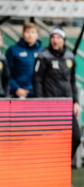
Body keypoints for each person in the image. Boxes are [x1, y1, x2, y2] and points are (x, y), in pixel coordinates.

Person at [33, 27, 81, 158]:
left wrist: (76, 102)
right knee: (50, 138)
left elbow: (72, 81)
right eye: (53, 37)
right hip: (49, 106)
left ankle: (63, 161)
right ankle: (52, 164)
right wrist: (39, 103)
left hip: (66, 105)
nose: (55, 40)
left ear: (63, 40)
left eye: (58, 38)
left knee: (76, 137)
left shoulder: (70, 57)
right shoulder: (43, 56)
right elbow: (37, 80)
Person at [6, 22, 43, 98]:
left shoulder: (42, 52)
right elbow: (7, 74)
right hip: (19, 94)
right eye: (27, 32)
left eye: (33, 32)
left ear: (37, 35)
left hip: (38, 94)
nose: (30, 35)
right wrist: (16, 89)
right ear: (22, 34)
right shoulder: (13, 50)